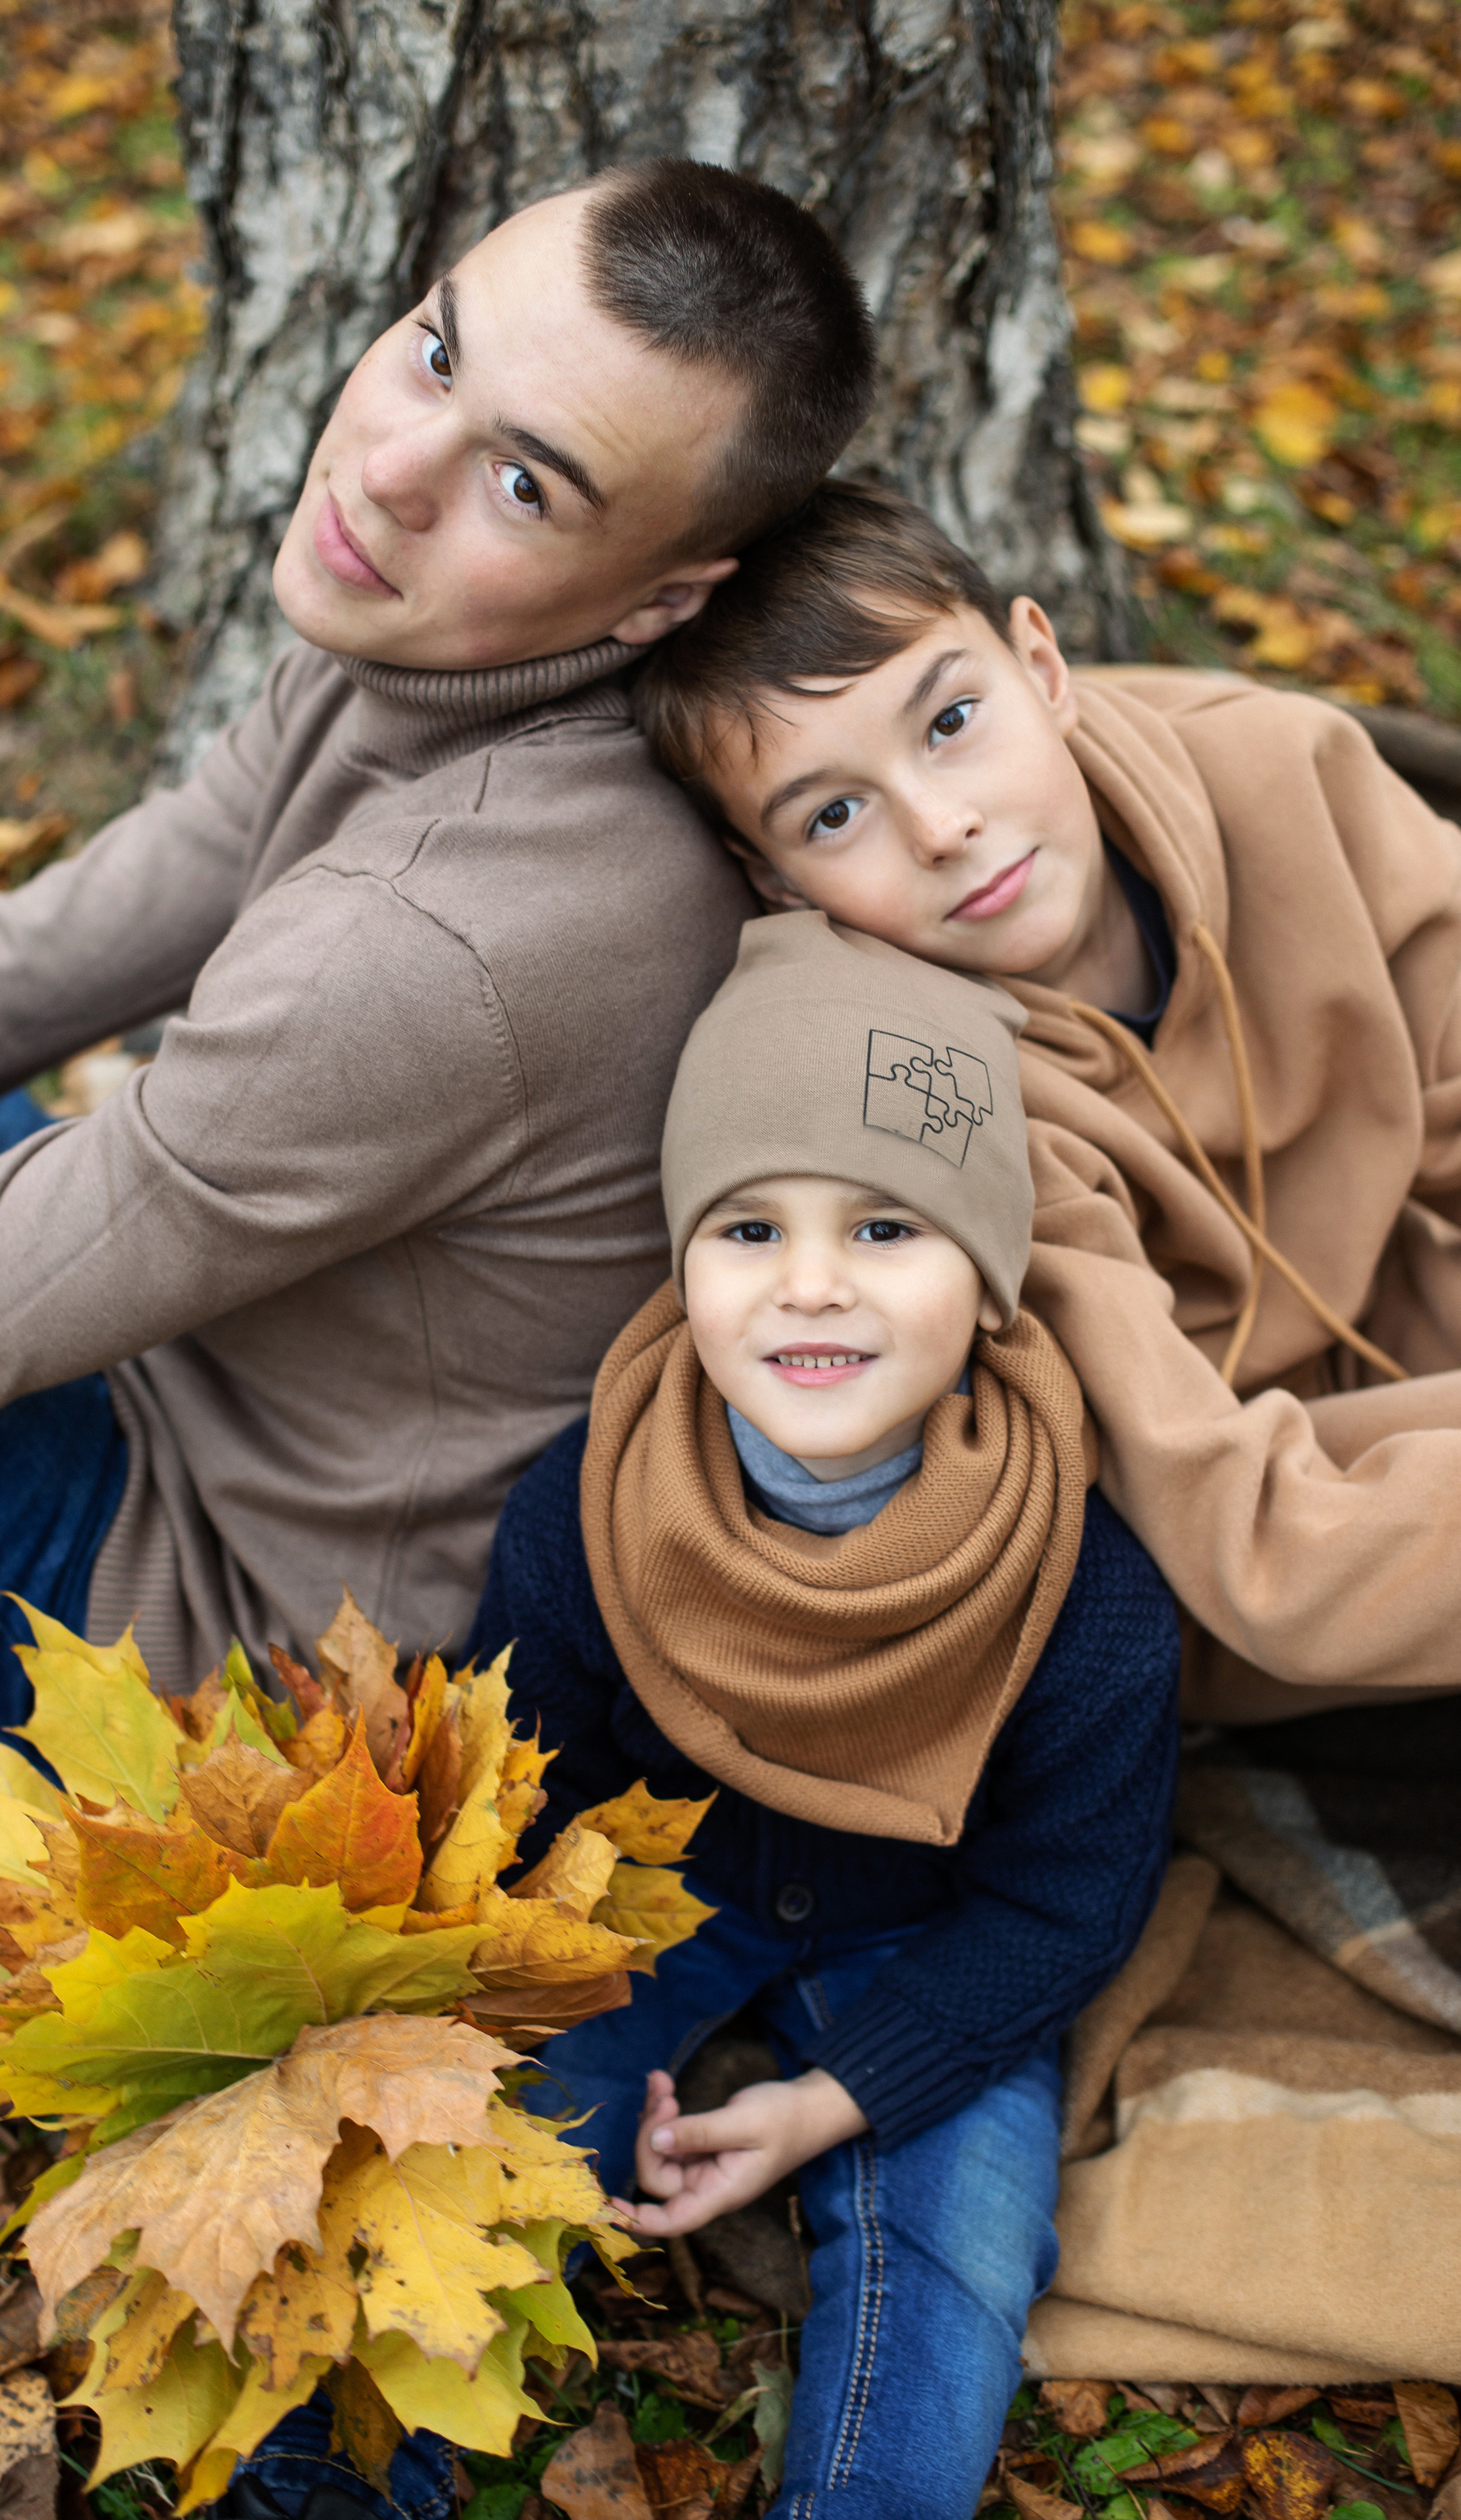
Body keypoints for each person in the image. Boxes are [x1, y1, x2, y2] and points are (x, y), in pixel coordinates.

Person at [0, 161, 876, 1734]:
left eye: (525, 486)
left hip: (202, 1664)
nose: (390, 472)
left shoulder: (445, 936)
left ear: (659, 600)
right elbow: (6, 976)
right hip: (190, 1379)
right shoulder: (427, 655)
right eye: (438, 354)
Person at [442, 914, 1175, 2520]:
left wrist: (836, 2100)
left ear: (987, 1281)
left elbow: (1061, 1906)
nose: (812, 1285)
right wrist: (555, 2006)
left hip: (928, 1934)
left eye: (889, 1229)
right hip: (655, 1892)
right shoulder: (586, 1514)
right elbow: (528, 1807)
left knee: (954, 2251)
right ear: (682, 1264)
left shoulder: (1080, 1593)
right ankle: (338, 2475)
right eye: (748, 1228)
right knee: (468, 2133)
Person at [635, 481, 1461, 1722]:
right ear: (772, 874)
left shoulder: (1287, 768)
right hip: (1218, 1532)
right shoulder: (926, 1089)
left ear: (1043, 664)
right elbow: (1257, 1552)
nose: (944, 825)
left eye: (954, 719)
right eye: (837, 813)